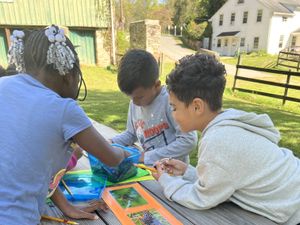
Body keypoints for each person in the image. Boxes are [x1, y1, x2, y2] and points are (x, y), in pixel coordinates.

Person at [0, 26, 129, 225]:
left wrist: (66, 207)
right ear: (69, 75)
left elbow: (26, 168)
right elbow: (111, 158)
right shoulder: (63, 108)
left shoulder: (4, 85)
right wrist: (126, 153)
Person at [153, 54, 300, 225]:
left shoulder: (218, 140)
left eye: (174, 107)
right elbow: (226, 178)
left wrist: (166, 180)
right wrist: (188, 172)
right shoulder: (228, 123)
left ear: (197, 106)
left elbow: (200, 198)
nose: (172, 114)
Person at [111, 49, 197, 165]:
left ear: (156, 85)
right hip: (150, 173)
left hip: (175, 175)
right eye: (131, 98)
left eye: (139, 97)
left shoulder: (170, 101)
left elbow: (188, 141)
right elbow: (131, 134)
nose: (134, 102)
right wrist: (110, 142)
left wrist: (146, 157)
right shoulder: (135, 103)